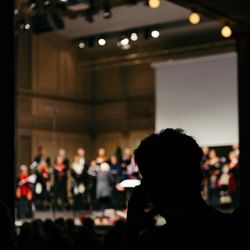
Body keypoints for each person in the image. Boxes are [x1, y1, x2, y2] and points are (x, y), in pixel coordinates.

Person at [123, 128, 233, 250]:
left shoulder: (154, 244)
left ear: (149, 187)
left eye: (145, 180)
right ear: (199, 176)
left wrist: (131, 232)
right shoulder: (235, 229)